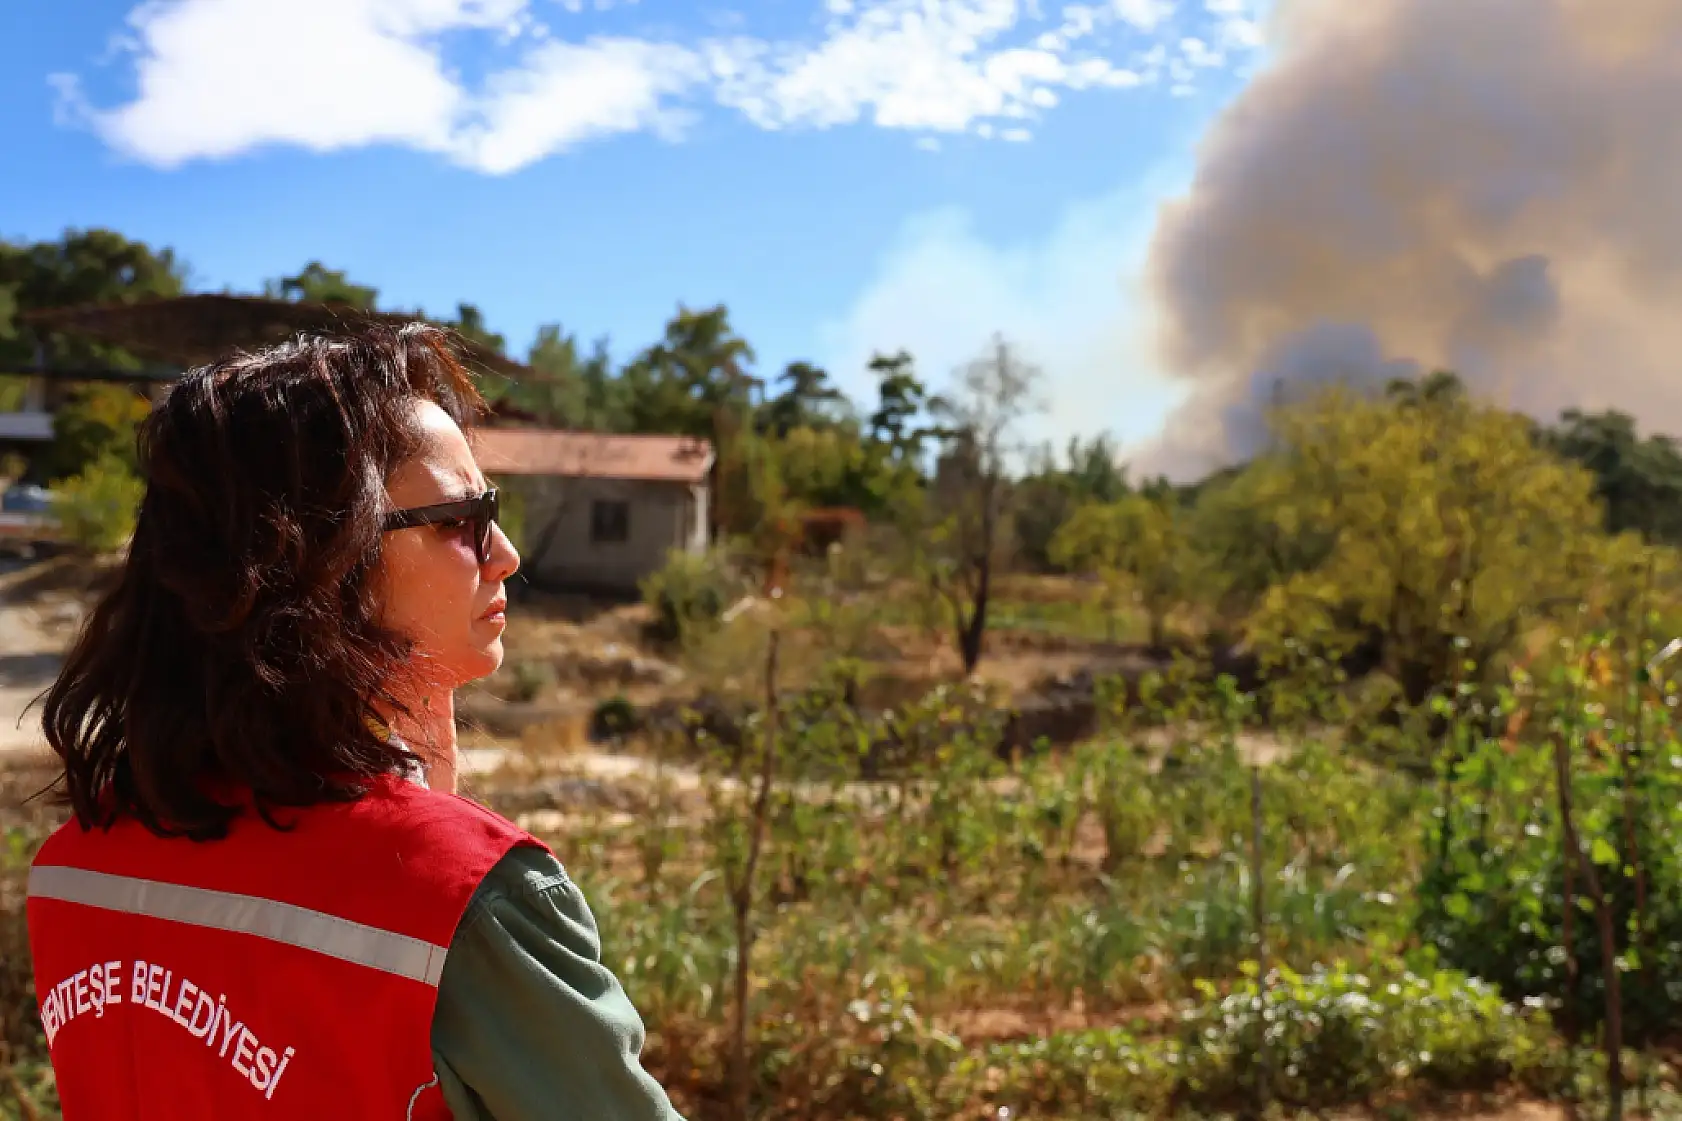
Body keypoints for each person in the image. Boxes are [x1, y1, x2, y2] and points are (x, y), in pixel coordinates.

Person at [25, 324, 686, 1120]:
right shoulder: (468, 901)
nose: (506, 553)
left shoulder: (73, 870)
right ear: (320, 559)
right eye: (461, 519)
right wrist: (436, 832)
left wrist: (418, 766)